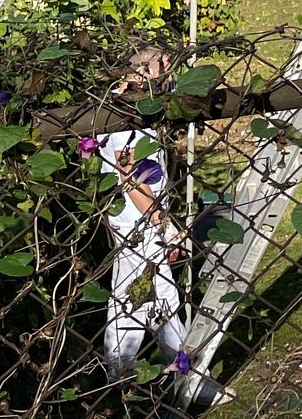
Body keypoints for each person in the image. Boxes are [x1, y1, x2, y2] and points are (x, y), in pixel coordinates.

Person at [98, 46, 188, 379]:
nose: (169, 73)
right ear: (141, 72)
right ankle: (187, 376)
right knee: (158, 296)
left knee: (133, 297)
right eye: (163, 65)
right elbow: (131, 177)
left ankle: (118, 375)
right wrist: (163, 222)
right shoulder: (125, 115)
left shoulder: (129, 106)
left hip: (137, 219)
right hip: (139, 221)